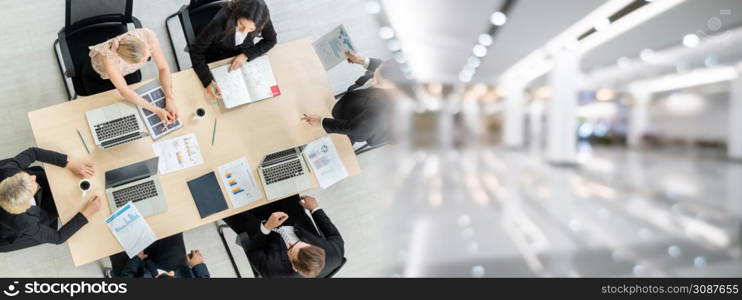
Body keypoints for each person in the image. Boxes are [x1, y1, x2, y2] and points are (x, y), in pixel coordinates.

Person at [0, 148, 101, 251]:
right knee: (71, 203)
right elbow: (58, 238)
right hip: (40, 211)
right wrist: (87, 213)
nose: (33, 176)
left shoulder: (7, 172)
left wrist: (69, 163)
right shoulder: (24, 223)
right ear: (27, 206)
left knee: (62, 179)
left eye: (26, 176)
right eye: (32, 183)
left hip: (31, 195)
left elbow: (33, 152)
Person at [223, 195, 344, 278]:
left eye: (291, 249)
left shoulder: (274, 273)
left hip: (258, 231)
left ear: (294, 267)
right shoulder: (334, 254)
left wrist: (267, 228)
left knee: (223, 203)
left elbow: (252, 248)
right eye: (299, 242)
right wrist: (314, 208)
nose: (291, 243)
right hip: (295, 219)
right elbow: (333, 234)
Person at [301, 51, 401, 147]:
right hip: (352, 105)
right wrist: (363, 60)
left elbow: (355, 128)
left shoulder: (383, 108)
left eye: (379, 82)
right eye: (377, 73)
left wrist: (322, 122)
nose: (373, 82)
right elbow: (384, 66)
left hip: (353, 126)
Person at [81, 28, 179, 124]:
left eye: (149, 50)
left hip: (125, 73)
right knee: (110, 113)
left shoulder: (147, 36)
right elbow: (124, 92)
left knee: (134, 106)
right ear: (126, 61)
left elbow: (163, 68)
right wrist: (157, 110)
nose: (150, 54)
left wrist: (169, 97)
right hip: (98, 78)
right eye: (144, 59)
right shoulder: (108, 59)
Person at [189, 0, 277, 100]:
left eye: (251, 29)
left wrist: (246, 55)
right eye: (241, 24)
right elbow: (195, 51)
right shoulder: (220, 21)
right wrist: (208, 81)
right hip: (215, 54)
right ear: (236, 15)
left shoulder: (261, 17)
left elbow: (271, 40)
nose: (244, 32)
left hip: (241, 53)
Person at [110, 233, 210, 278]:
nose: (171, 273)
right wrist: (198, 265)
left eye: (170, 274)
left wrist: (136, 259)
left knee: (114, 241)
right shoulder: (172, 273)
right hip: (176, 269)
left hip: (132, 274)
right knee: (172, 231)